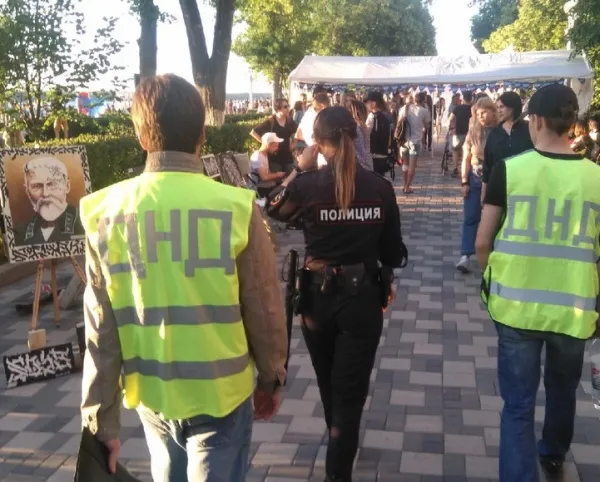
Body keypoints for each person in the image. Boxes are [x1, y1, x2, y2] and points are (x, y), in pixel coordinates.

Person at [79, 74, 288, 482]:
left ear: (141, 137)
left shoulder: (103, 212)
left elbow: (100, 331)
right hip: (222, 396)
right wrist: (271, 377)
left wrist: (100, 422)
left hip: (153, 396)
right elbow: (264, 306)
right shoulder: (235, 208)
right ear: (202, 135)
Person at [267, 106, 407, 482]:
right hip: (363, 299)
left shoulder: (307, 186)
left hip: (317, 300)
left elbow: (272, 208)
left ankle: (339, 443)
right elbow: (393, 252)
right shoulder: (379, 188)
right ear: (355, 136)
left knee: (329, 380)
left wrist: (298, 168)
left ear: (318, 141)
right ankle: (340, 459)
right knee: (351, 388)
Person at [475, 83, 600, 482]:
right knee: (563, 390)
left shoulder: (510, 170)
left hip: (516, 307)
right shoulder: (596, 177)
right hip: (574, 309)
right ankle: (554, 452)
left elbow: (482, 242)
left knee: (517, 404)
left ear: (537, 121)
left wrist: (492, 275)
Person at [456, 97, 498, 273]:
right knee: (471, 218)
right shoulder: (473, 133)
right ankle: (465, 255)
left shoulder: (500, 132)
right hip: (475, 179)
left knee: (494, 220)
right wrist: (464, 181)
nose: (481, 116)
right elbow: (465, 159)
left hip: (495, 181)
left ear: (493, 112)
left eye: (484, 112)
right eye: (478, 113)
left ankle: (492, 256)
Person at [16, 156, 84, 246]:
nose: (45, 194)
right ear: (28, 191)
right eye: (37, 186)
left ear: (67, 186)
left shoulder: (84, 222)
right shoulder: (20, 233)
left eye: (52, 184)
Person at [481, 91, 533, 203]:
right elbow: (487, 166)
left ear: (512, 107)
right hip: (498, 189)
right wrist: (483, 195)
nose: (499, 110)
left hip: (523, 189)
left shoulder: (529, 129)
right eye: (497, 107)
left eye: (502, 107)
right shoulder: (495, 134)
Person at [251, 98, 297, 174]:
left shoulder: (289, 121)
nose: (288, 109)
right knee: (277, 178)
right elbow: (254, 132)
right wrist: (266, 144)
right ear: (278, 109)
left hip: (287, 156)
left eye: (288, 106)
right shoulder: (271, 121)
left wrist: (294, 143)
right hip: (274, 158)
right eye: (285, 107)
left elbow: (299, 131)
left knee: (292, 177)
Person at [396, 92, 431, 193]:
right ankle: (407, 186)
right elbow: (427, 125)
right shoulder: (424, 111)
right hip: (415, 141)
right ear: (423, 100)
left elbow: (398, 122)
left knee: (405, 164)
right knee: (412, 166)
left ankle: (404, 184)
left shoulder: (404, 108)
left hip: (404, 140)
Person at [296, 92, 331, 168]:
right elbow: (298, 134)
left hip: (326, 156)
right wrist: (313, 141)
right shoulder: (310, 114)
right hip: (318, 156)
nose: (313, 110)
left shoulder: (329, 116)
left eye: (315, 108)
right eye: (313, 108)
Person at [250, 132, 288, 197]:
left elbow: (268, 173)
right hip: (258, 188)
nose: (277, 148)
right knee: (284, 191)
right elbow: (264, 177)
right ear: (268, 145)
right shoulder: (257, 157)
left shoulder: (264, 155)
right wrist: (277, 175)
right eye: (275, 146)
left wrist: (280, 177)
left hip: (265, 185)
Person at [364, 91, 392, 177]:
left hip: (373, 155)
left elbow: (366, 134)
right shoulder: (387, 116)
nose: (366, 105)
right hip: (384, 153)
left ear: (374, 103)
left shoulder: (371, 117)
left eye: (368, 102)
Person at [448, 91, 474, 177]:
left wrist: (452, 127)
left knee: (455, 150)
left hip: (457, 133)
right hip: (468, 134)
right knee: (466, 152)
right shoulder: (473, 108)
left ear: (463, 98)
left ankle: (455, 168)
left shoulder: (458, 108)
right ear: (471, 98)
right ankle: (465, 169)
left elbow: (450, 118)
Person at [347, 99, 374, 171]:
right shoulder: (362, 127)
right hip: (366, 164)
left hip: (361, 166)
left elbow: (360, 152)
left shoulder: (356, 128)